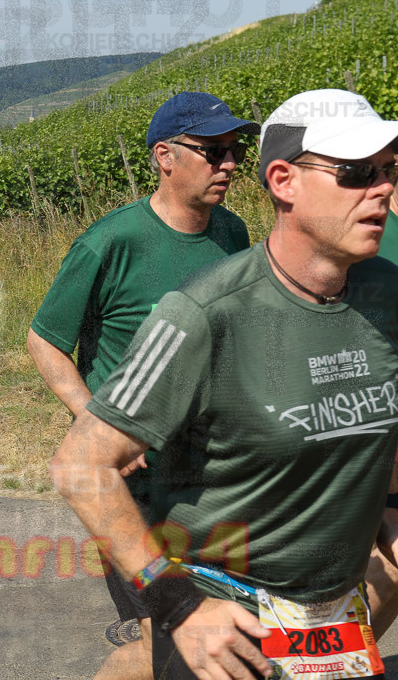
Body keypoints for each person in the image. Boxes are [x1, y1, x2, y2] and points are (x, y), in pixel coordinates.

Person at [51, 88, 398, 679]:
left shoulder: (388, 294)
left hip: (332, 621)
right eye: (356, 173)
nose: (383, 188)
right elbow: (80, 465)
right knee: (145, 654)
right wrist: (180, 608)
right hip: (225, 623)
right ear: (284, 181)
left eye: (390, 170)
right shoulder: (202, 312)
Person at [26, 91, 257, 678]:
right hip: (136, 482)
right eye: (213, 151)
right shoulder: (111, 242)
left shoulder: (235, 234)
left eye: (235, 150)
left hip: (214, 474)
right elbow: (45, 340)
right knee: (171, 636)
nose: (229, 163)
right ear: (165, 156)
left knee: (214, 632)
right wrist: (92, 416)